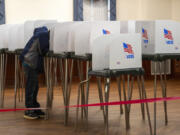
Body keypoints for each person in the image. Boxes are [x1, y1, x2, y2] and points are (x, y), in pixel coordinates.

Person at [20, 27, 50, 119]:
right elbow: (43, 50)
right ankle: (29, 110)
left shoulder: (38, 35)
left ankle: (34, 107)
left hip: (28, 61)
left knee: (34, 86)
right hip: (30, 62)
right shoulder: (43, 35)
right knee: (31, 86)